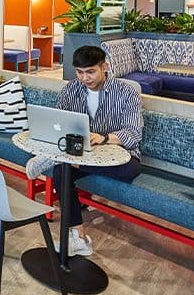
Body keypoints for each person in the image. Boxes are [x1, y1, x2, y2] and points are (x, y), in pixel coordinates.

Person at [52, 45, 143, 256]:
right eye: (79, 72)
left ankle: (59, 162)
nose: (85, 78)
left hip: (118, 155)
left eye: (90, 72)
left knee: (129, 170)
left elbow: (134, 133)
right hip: (84, 153)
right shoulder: (71, 89)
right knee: (61, 172)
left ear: (105, 67)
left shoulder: (126, 92)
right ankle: (79, 237)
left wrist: (105, 138)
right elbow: (59, 119)